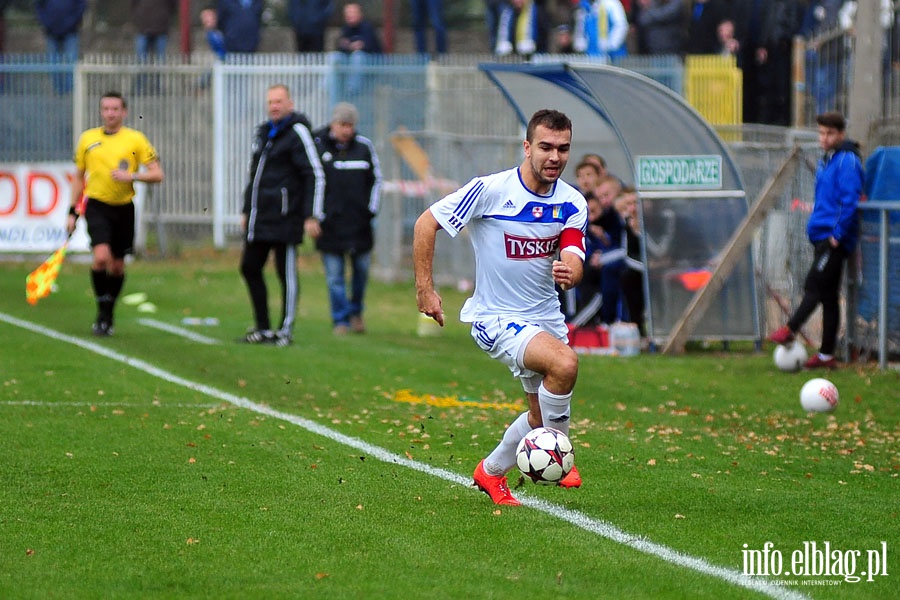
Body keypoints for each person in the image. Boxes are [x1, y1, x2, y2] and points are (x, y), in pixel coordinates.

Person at [413, 109, 587, 506]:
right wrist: (425, 288)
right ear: (526, 147)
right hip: (496, 318)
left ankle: (490, 473)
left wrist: (571, 272)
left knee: (539, 416)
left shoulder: (571, 201)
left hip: (545, 317)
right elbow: (426, 222)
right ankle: (560, 447)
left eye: (563, 149)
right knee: (565, 364)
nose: (554, 157)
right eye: (545, 147)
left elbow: (575, 251)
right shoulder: (490, 190)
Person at [768, 112, 863, 369]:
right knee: (829, 297)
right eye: (821, 133)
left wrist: (837, 235)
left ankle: (790, 328)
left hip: (834, 239)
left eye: (829, 133)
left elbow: (849, 200)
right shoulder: (827, 160)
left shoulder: (847, 161)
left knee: (814, 284)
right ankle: (826, 356)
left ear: (841, 134)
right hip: (821, 236)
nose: (824, 138)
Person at [65, 91, 164, 336]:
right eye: (106, 108)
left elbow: (157, 174)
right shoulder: (88, 139)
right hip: (97, 205)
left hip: (124, 208)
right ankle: (102, 310)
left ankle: (108, 312)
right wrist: (72, 211)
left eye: (115, 109)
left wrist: (132, 176)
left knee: (118, 266)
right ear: (101, 111)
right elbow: (79, 177)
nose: (110, 113)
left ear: (124, 112)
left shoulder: (135, 140)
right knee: (101, 257)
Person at [240, 84, 325, 346]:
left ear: (290, 103)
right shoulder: (264, 133)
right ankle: (263, 327)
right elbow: (254, 176)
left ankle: (285, 330)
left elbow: (315, 173)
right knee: (249, 267)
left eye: (279, 101)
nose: (274, 106)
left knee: (285, 273)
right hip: (260, 216)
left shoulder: (298, 132)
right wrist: (246, 210)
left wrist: (312, 214)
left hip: (286, 217)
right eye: (270, 102)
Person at [306, 102, 382, 336]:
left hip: (359, 225)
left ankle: (356, 311)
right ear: (333, 124)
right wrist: (314, 216)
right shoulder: (318, 146)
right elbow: (311, 183)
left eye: (350, 125)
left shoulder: (364, 148)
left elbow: (377, 180)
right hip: (330, 226)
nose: (346, 130)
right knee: (335, 277)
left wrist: (370, 211)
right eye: (342, 124)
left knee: (360, 272)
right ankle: (340, 319)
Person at [330, 2, 382, 102]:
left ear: (360, 14)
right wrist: (351, 45)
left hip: (369, 64)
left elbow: (369, 45)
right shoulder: (345, 28)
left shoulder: (367, 27)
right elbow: (340, 45)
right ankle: (328, 90)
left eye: (353, 13)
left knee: (358, 56)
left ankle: (352, 91)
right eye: (348, 14)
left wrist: (355, 46)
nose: (350, 16)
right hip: (349, 61)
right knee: (334, 57)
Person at [36, 0, 86, 94]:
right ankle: (58, 91)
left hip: (71, 31)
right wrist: (46, 22)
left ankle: (71, 93)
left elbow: (81, 5)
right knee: (53, 64)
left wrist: (73, 21)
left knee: (71, 63)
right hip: (51, 32)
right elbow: (39, 6)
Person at [615, 189, 646, 337]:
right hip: (642, 269)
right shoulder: (627, 225)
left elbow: (659, 250)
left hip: (660, 270)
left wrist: (641, 233)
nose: (632, 209)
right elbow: (626, 255)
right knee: (627, 277)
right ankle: (638, 329)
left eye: (636, 203)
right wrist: (634, 230)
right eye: (628, 204)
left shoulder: (654, 221)